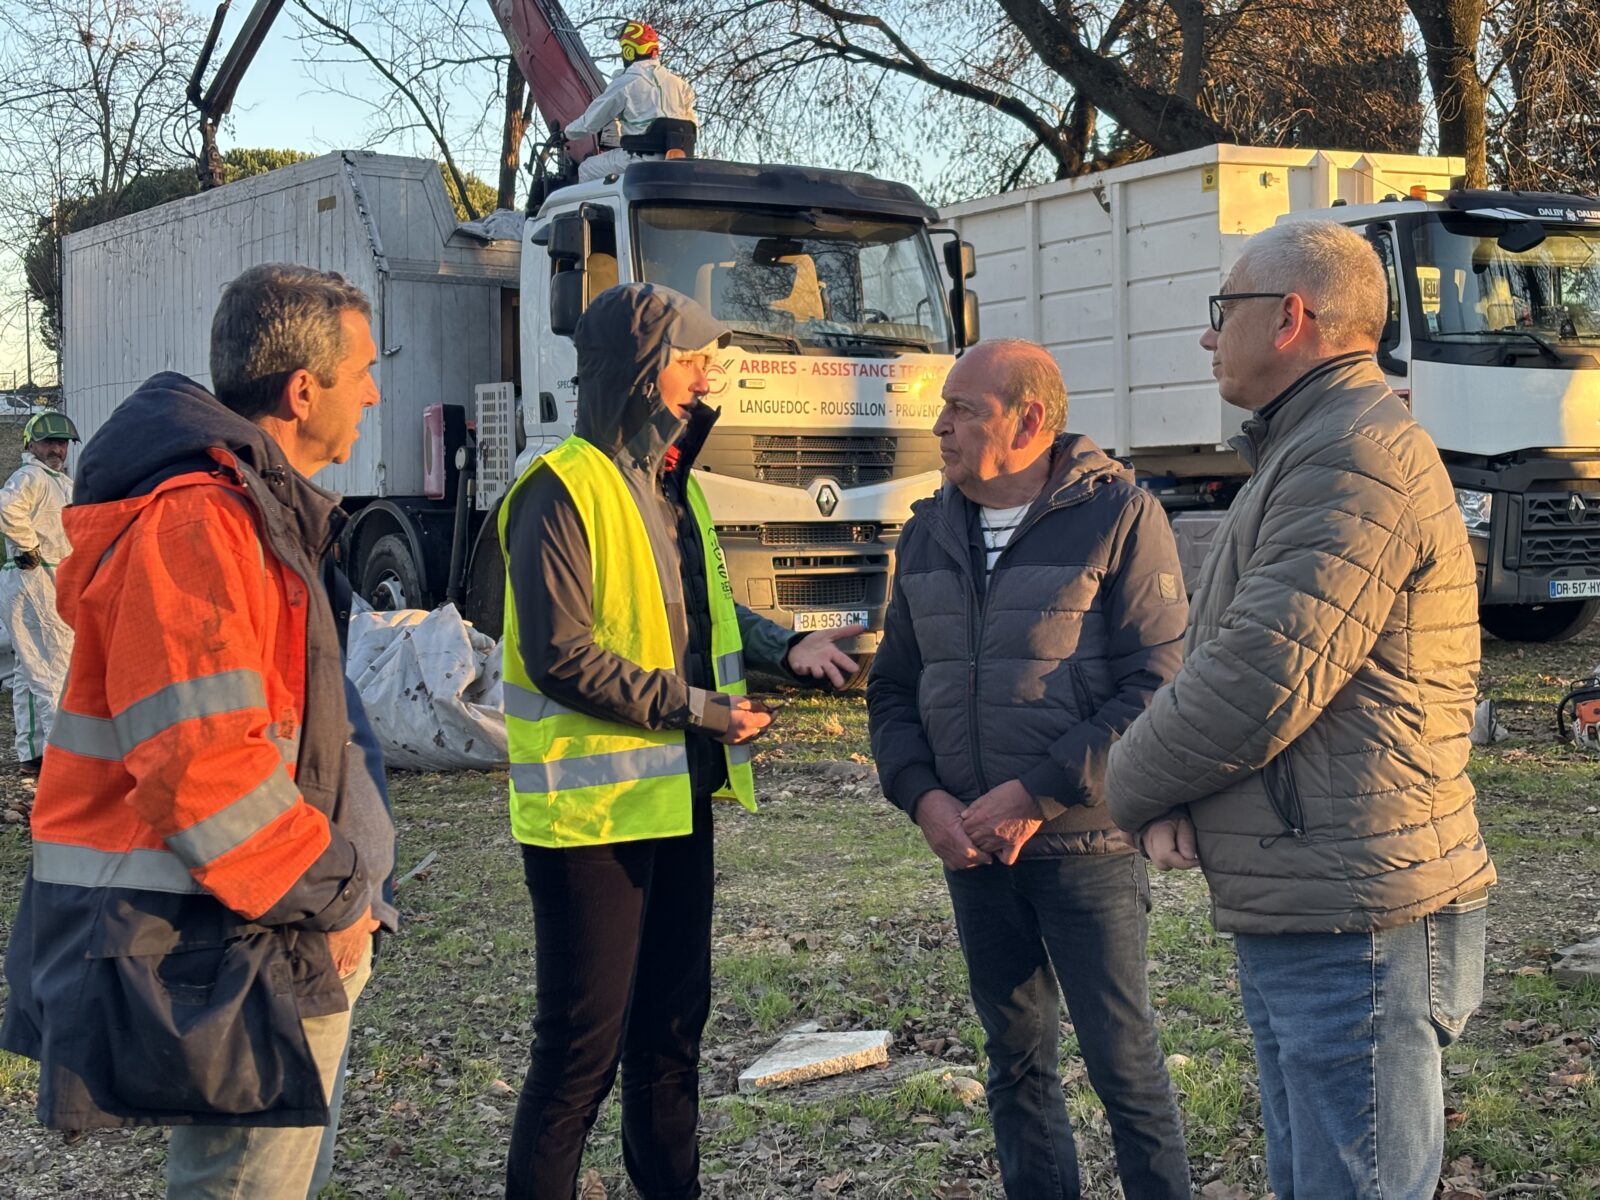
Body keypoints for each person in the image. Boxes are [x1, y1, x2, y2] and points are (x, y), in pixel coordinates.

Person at [1104, 220, 1496, 1199]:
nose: (1207, 337)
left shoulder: (1351, 457)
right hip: (1316, 887)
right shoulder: (1317, 446)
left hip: (1351, 905)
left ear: (1289, 318)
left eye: (1220, 312)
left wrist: (1124, 786)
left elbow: (1259, 675)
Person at [1, 263, 398, 1199]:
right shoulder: (198, 525)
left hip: (270, 922)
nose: (376, 391)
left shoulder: (255, 515)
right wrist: (338, 891)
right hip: (243, 932)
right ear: (304, 391)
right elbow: (202, 768)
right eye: (364, 371)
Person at [500, 281, 862, 1199]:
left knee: (669, 1037)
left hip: (676, 803)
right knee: (578, 1060)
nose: (709, 384)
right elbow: (560, 656)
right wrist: (699, 710)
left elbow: (700, 613)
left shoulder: (672, 490)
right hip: (591, 824)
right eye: (695, 365)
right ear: (643, 372)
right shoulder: (559, 490)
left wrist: (788, 645)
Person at [866, 338, 1191, 1199]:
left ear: (1031, 420)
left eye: (963, 408)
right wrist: (923, 798)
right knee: (1013, 1070)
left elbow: (1156, 690)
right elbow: (893, 691)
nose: (941, 425)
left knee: (1125, 1074)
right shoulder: (929, 534)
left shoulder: (1120, 517)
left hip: (1087, 851)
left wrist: (1036, 793)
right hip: (973, 852)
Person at [0, 411, 78, 773]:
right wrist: (27, 546)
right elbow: (5, 506)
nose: (57, 449)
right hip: (34, 575)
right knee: (53, 666)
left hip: (44, 576)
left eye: (61, 443)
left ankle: (32, 750)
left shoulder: (60, 481)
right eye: (49, 442)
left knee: (28, 668)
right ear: (31, 443)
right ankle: (58, 757)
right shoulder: (31, 476)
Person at [565, 20, 697, 182]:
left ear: (629, 51)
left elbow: (590, 122)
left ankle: (594, 207)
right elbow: (692, 125)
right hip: (679, 162)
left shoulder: (625, 83)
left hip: (640, 160)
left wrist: (566, 134)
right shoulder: (681, 85)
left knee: (586, 168)